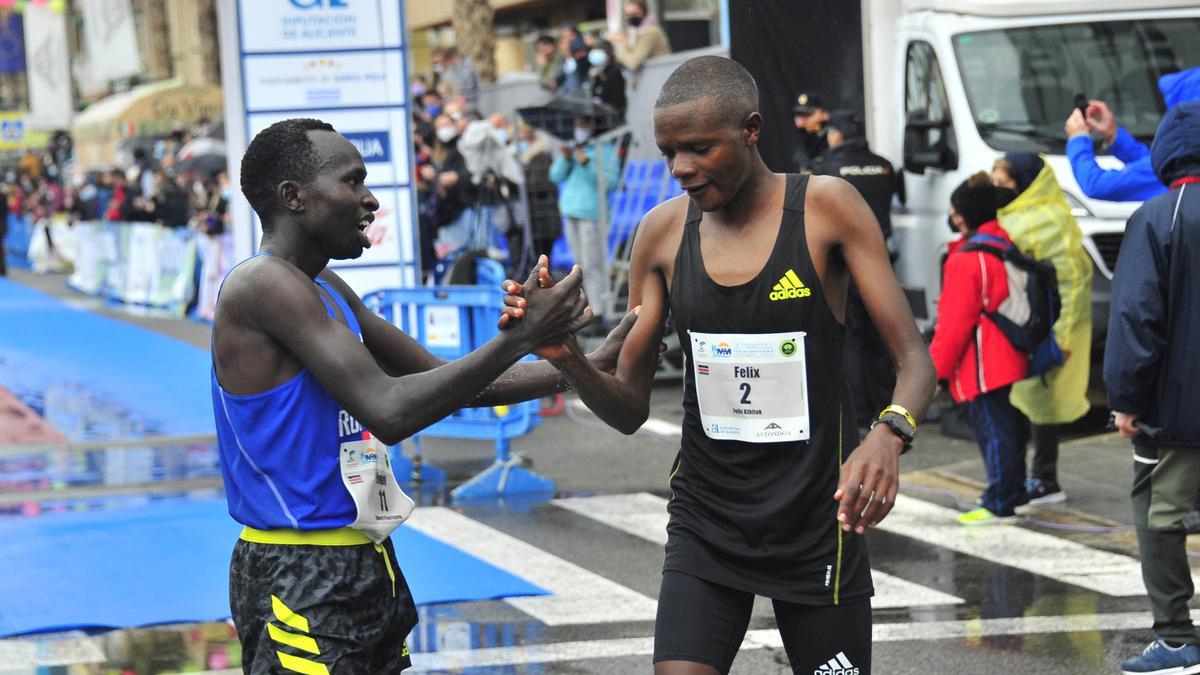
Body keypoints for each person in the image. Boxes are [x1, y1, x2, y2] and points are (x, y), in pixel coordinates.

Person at [509, 55, 935, 675]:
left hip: (818, 519)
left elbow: (915, 361)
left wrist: (889, 434)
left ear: (752, 129)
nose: (681, 168)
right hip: (707, 522)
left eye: (699, 148)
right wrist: (566, 355)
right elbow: (629, 408)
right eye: (668, 153)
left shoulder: (826, 209)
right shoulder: (658, 236)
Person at [213, 117, 637, 673]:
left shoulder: (325, 286)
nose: (369, 200)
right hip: (298, 571)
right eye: (351, 182)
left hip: (366, 559)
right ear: (294, 197)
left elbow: (444, 379)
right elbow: (389, 410)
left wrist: (578, 364)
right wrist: (523, 340)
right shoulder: (262, 285)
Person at [1107, 100, 1200, 675]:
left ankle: (1175, 638)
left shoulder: (1160, 215)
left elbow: (1138, 318)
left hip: (1179, 411)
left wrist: (1127, 399)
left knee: (1160, 515)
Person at [991, 153, 1092, 507]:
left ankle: (1045, 478)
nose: (998, 190)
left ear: (1025, 182)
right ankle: (1025, 478)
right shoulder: (1013, 214)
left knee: (1042, 402)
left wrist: (1062, 335)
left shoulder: (1049, 219)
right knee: (1024, 399)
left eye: (1004, 184)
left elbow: (1074, 280)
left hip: (1048, 327)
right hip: (1021, 325)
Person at [930, 172, 1029, 525]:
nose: (952, 216)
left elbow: (952, 326)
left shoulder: (967, 260)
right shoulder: (1003, 245)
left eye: (955, 210)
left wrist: (937, 373)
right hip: (1010, 351)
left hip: (983, 360)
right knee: (1007, 426)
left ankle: (999, 501)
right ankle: (1014, 491)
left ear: (966, 214)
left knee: (993, 430)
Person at [810, 110, 902, 436]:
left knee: (850, 337)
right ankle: (888, 405)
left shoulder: (824, 169)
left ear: (836, 135)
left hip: (842, 266)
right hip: (880, 260)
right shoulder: (885, 165)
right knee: (884, 334)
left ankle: (859, 414)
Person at [1065, 66, 1200, 203]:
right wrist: (1114, 137)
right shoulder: (1188, 161)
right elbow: (1157, 163)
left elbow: (1096, 184)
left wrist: (1078, 138)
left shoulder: (1185, 168)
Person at [548, 115, 621, 319]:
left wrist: (586, 161)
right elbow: (554, 176)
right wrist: (565, 158)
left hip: (592, 214)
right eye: (577, 124)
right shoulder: (572, 150)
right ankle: (587, 306)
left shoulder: (605, 151)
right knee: (579, 264)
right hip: (570, 212)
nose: (579, 128)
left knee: (592, 263)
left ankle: (598, 310)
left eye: (583, 124)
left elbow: (610, 181)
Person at [608, 0, 671, 75]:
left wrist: (620, 46)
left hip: (658, 77)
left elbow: (633, 63)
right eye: (628, 15)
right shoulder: (634, 32)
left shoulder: (650, 32)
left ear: (643, 12)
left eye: (634, 14)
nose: (631, 17)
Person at [589, 40, 627, 119]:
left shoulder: (615, 72)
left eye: (599, 50)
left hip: (611, 119)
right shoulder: (596, 72)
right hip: (598, 118)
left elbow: (618, 103)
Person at [792, 92, 830, 172]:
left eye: (808, 115)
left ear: (825, 114)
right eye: (799, 115)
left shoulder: (836, 136)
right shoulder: (800, 136)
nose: (801, 121)